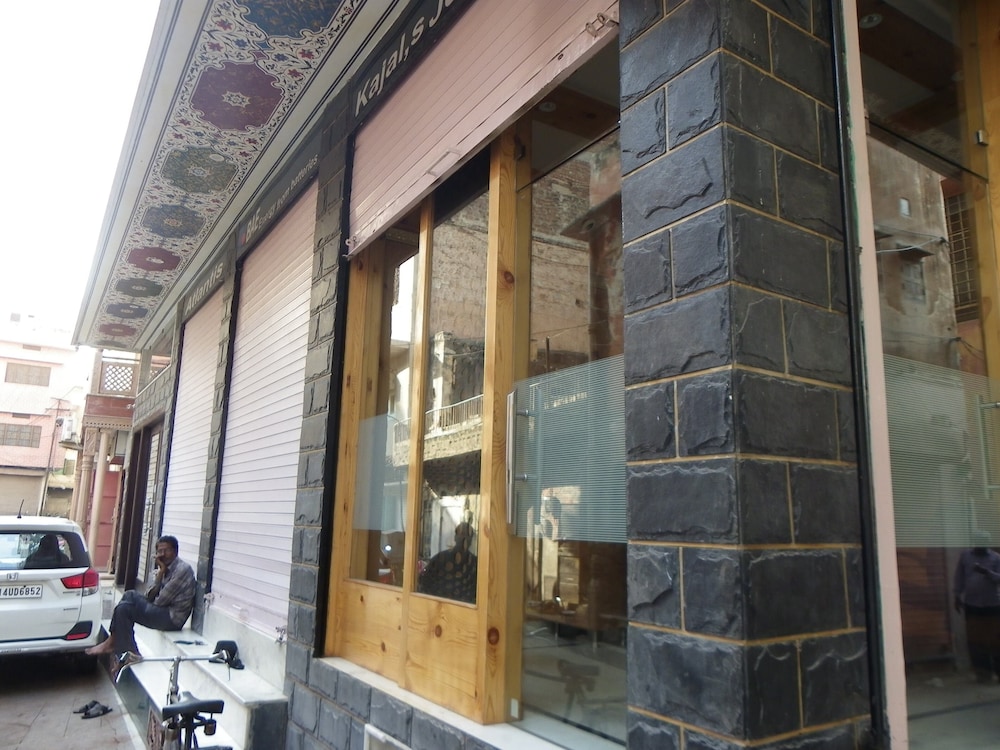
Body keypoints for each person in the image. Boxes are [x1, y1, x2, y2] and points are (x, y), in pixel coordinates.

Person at [86, 535, 196, 664]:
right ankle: (127, 650)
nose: (162, 555)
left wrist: (151, 597)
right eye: (159, 551)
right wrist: (161, 573)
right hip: (161, 612)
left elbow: (159, 601)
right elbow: (148, 596)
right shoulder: (163, 568)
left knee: (127, 602)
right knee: (126, 603)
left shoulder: (182, 570)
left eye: (166, 550)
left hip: (172, 619)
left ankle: (117, 645)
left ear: (175, 552)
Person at [953, 530, 1000, 682]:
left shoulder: (996, 558)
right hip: (972, 604)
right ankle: (983, 674)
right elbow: (959, 576)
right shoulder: (965, 556)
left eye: (985, 542)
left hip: (992, 605)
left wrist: (986, 572)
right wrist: (957, 596)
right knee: (976, 640)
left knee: (995, 639)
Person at [417, 522, 478, 603]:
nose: (464, 538)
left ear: (471, 539)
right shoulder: (440, 559)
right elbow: (424, 583)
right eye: (462, 534)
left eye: (468, 535)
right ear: (455, 537)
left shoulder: (475, 564)